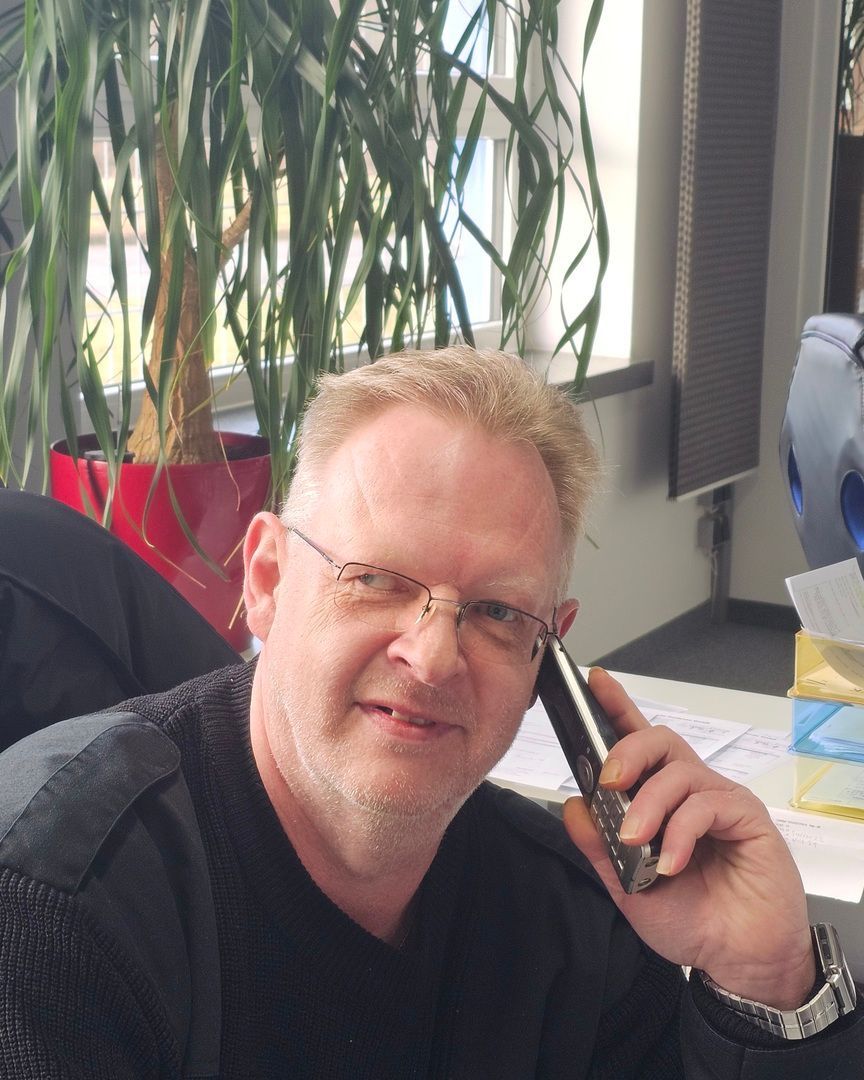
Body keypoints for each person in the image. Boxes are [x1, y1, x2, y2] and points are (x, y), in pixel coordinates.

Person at [0, 347, 862, 1078]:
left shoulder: (574, 916)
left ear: (546, 651)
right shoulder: (57, 906)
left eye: (497, 612)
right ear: (265, 580)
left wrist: (765, 983)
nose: (434, 654)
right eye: (375, 579)